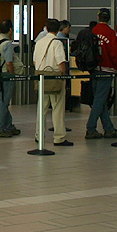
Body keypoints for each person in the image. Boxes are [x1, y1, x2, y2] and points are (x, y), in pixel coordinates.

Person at [33, 18, 71, 147]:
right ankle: (59, 137)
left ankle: (38, 134)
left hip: (41, 76)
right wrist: (63, 75)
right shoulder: (57, 43)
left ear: (47, 28)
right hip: (54, 77)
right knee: (57, 108)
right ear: (58, 29)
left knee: (41, 108)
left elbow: (34, 61)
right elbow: (61, 62)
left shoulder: (39, 42)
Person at [86, 9, 117, 140]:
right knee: (100, 100)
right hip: (106, 70)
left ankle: (109, 128)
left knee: (100, 100)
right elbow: (115, 52)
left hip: (93, 69)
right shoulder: (111, 33)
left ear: (98, 17)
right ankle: (91, 128)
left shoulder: (93, 31)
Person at [0, 20, 20, 138]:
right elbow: (9, 62)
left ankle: (8, 126)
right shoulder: (7, 43)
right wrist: (12, 75)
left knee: (1, 101)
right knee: (3, 103)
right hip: (4, 75)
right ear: (10, 30)